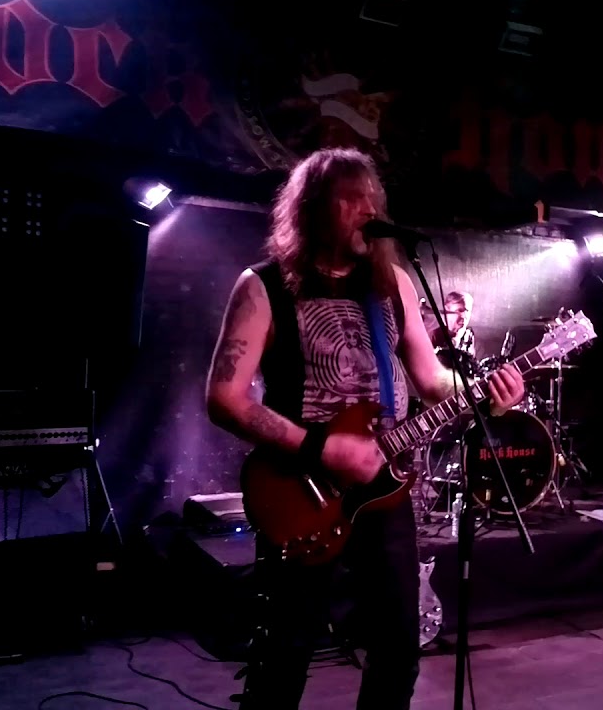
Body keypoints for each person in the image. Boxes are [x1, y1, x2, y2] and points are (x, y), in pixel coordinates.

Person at [204, 147, 526, 709]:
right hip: (302, 491)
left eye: (370, 198)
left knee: (398, 647)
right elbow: (224, 398)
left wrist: (487, 392)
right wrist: (321, 448)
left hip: (385, 494)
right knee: (285, 652)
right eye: (349, 199)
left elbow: (432, 381)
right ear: (312, 208)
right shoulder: (264, 286)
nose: (366, 210)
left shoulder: (393, 283)